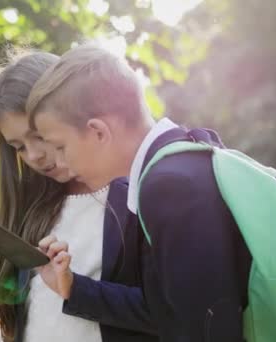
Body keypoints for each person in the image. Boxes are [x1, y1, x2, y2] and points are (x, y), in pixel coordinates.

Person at [26, 44, 252, 342]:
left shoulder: (170, 187)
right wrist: (75, 289)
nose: (61, 163)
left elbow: (206, 329)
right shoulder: (182, 162)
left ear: (98, 132)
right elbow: (166, 310)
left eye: (60, 147)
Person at [0, 49, 157, 342]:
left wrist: (75, 288)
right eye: (18, 146)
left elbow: (166, 310)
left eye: (40, 136)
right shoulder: (28, 210)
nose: (33, 155)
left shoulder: (135, 195)